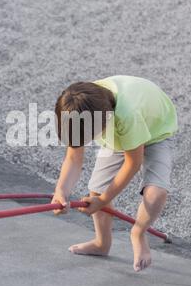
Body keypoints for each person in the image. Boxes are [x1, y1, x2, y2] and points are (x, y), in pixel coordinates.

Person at [52, 75, 178, 272]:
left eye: (88, 137)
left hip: (155, 132)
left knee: (155, 194)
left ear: (105, 122)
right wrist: (61, 191)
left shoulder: (127, 115)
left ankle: (138, 233)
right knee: (96, 190)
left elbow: (133, 163)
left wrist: (104, 200)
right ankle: (102, 244)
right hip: (118, 133)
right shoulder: (81, 106)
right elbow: (73, 158)